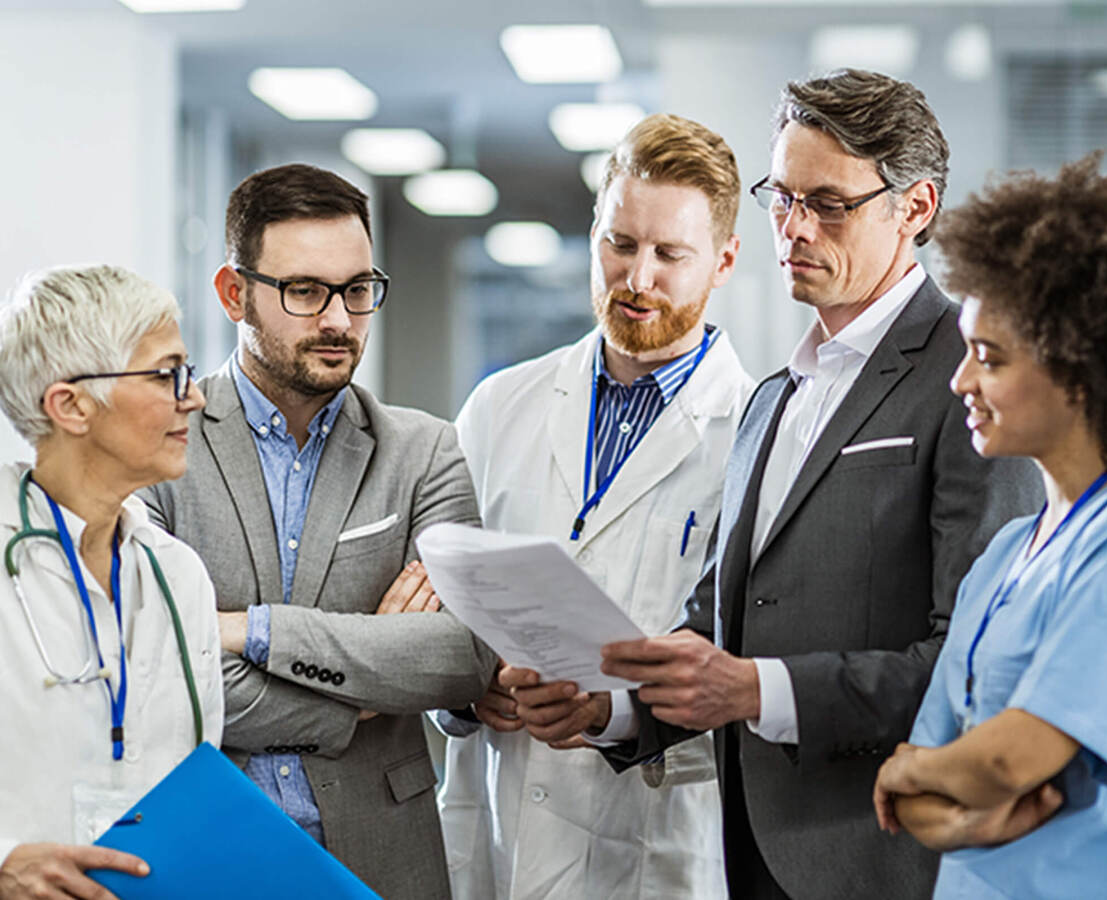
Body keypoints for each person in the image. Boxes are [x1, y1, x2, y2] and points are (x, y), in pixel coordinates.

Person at [503, 69, 1042, 899]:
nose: (794, 228)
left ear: (917, 207)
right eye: (782, 197)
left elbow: (970, 664)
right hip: (747, 857)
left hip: (886, 861)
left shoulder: (969, 383)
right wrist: (608, 710)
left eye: (828, 203)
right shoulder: (771, 399)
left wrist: (760, 690)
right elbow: (711, 632)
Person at [140, 163, 495, 899]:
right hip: (204, 855)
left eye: (358, 290)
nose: (339, 319)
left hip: (381, 859)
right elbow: (155, 669)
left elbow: (464, 657)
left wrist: (249, 631)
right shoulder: (159, 447)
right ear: (235, 293)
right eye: (304, 291)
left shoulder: (424, 452)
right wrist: (364, 693)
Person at [437, 113, 754, 899]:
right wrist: (466, 689)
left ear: (724, 261)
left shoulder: (758, 432)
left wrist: (609, 710)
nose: (637, 278)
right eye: (619, 243)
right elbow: (438, 599)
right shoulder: (498, 406)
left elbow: (745, 661)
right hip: (502, 817)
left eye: (669, 254)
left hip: (655, 839)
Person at [872, 156, 1107, 898]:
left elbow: (1002, 761)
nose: (961, 382)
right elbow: (938, 778)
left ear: (1083, 369)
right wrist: (950, 810)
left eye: (989, 358)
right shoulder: (1005, 556)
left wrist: (908, 772)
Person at [0, 264, 224, 900]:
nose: (195, 396)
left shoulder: (178, 576)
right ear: (70, 405)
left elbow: (196, 782)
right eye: (165, 374)